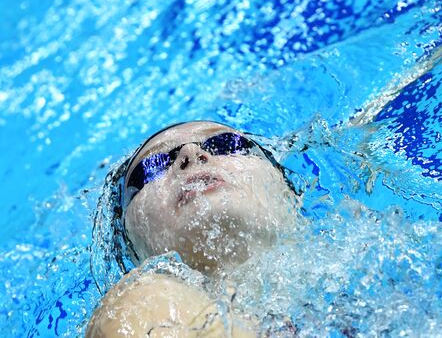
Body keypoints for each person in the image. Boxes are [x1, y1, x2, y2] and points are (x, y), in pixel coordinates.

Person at [86, 121, 300, 337]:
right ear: (131, 247)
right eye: (154, 165)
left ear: (288, 195)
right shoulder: (135, 310)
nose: (191, 152)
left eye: (226, 144)